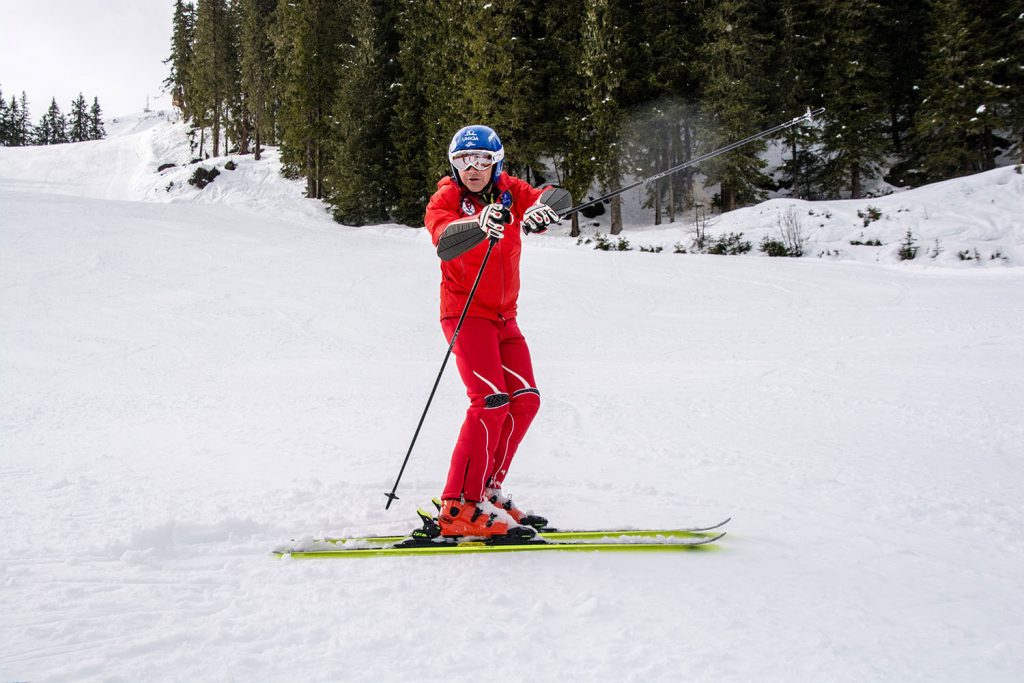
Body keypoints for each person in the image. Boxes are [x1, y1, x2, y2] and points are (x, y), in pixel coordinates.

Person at [423, 124, 563, 538]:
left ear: (496, 161)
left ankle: (487, 490)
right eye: (466, 161)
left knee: (525, 401)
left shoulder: (509, 189)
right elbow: (443, 240)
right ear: (455, 164)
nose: (474, 168)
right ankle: (458, 507)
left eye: (483, 159)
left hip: (505, 318)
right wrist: (481, 223)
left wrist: (543, 209)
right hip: (465, 315)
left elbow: (554, 195)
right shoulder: (447, 197)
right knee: (490, 401)